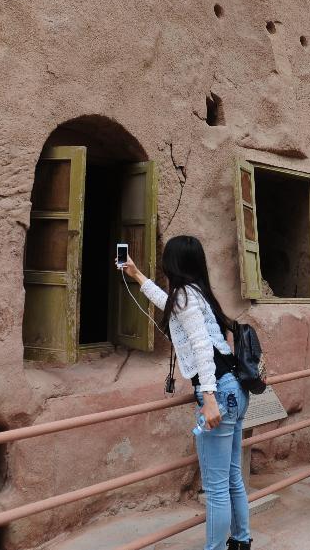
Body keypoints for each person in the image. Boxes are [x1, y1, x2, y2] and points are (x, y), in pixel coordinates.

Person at [118, 236, 252, 550]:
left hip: (218, 391)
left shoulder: (186, 297)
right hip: (234, 387)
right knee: (232, 477)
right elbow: (169, 305)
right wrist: (137, 275)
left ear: (173, 263)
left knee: (217, 487)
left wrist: (208, 400)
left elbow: (203, 350)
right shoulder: (194, 294)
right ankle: (242, 540)